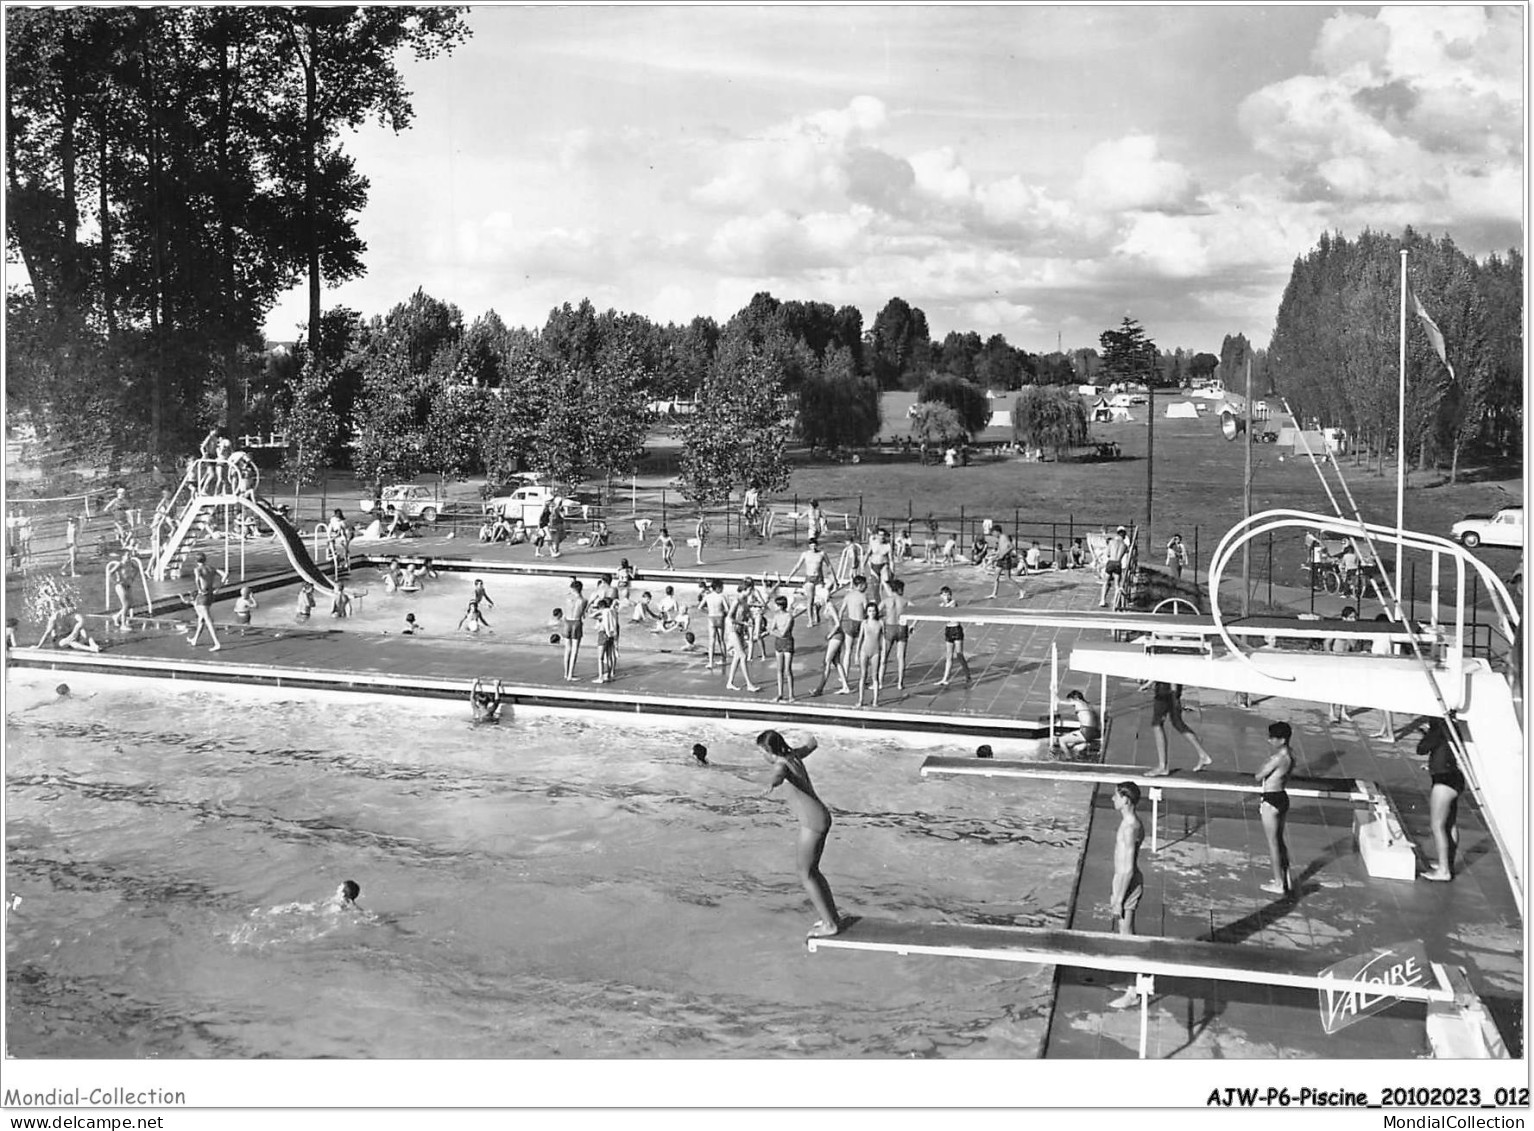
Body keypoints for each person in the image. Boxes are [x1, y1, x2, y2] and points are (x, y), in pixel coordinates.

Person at [757, 730, 840, 938]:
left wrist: (771, 783)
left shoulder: (782, 764)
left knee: (805, 873)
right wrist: (808, 737)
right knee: (812, 871)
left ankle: (830, 924)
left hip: (813, 823)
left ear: (769, 751)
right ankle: (831, 918)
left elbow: (778, 774)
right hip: (818, 817)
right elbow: (811, 746)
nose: (762, 757)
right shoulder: (793, 755)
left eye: (762, 753)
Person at [1106, 781, 1146, 1009]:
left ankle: (1133, 992)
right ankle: (1130, 983)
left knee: (1127, 939)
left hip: (1128, 885)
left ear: (1126, 800)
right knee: (1124, 935)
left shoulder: (1131, 827)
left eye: (1116, 796)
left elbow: (1128, 868)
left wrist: (1118, 899)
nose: (1113, 799)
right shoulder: (1130, 823)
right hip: (1123, 883)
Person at [1419, 719, 1463, 882]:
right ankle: (1447, 864)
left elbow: (1421, 748)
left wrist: (1427, 733)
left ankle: (1444, 871)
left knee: (1437, 825)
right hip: (1455, 778)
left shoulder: (1439, 728)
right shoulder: (1456, 727)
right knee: (1450, 823)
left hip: (1443, 782)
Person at [1255, 721, 1294, 896]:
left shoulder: (1278, 758)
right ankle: (1285, 879)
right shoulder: (1291, 756)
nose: (1269, 740)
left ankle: (1278, 883)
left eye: (1273, 738)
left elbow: (1258, 776)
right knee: (1279, 841)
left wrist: (1267, 761)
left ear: (1282, 740)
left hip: (1271, 799)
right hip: (1282, 797)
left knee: (1273, 844)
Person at [1143, 680, 1212, 775]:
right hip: (1171, 689)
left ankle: (1162, 766)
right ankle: (1203, 754)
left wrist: (1148, 684)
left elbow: (1168, 670)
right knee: (1177, 722)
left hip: (1165, 690)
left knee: (1157, 724)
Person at [1327, 606, 1359, 722]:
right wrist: (1330, 655)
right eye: (1350, 618)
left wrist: (1349, 634)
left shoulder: (1353, 631)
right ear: (1344, 618)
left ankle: (1344, 711)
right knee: (1335, 686)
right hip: (1336, 659)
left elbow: (1353, 645)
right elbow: (1327, 642)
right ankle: (1332, 712)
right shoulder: (1337, 629)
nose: (1353, 620)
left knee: (1346, 686)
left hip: (1347, 660)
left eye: (1354, 617)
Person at [187, 552, 225, 651]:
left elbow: (196, 580)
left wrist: (199, 589)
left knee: (207, 620)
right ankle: (194, 639)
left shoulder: (198, 569)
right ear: (205, 559)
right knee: (201, 618)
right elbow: (225, 574)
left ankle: (217, 643)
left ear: (196, 561)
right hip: (210, 594)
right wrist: (219, 587)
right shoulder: (211, 568)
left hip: (203, 595)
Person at [789, 539, 831, 626]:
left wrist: (834, 578)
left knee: (821, 599)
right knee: (810, 599)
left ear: (817, 545)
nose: (813, 547)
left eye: (815, 545)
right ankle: (810, 620)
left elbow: (829, 565)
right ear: (809, 546)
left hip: (819, 578)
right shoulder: (805, 554)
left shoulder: (822, 554)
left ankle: (817, 610)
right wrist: (790, 576)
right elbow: (798, 566)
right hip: (809, 578)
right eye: (811, 545)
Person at [879, 578, 911, 691]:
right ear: (899, 589)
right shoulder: (905, 601)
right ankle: (900, 683)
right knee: (901, 657)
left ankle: (880, 683)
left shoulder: (886, 601)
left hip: (889, 628)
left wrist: (881, 622)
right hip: (902, 627)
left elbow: (876, 613)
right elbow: (918, 610)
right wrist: (913, 625)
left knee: (884, 657)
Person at [937, 586, 972, 687]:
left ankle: (968, 675)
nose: (946, 597)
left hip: (956, 629)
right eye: (944, 595)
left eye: (948, 594)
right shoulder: (942, 605)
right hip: (948, 629)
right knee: (949, 655)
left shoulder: (953, 603)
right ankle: (945, 678)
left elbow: (948, 611)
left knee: (959, 654)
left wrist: (942, 607)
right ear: (941, 596)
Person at [722, 601, 761, 693]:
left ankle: (730, 682)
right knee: (743, 656)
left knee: (737, 657)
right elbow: (729, 619)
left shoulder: (745, 603)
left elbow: (746, 616)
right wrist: (743, 623)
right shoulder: (736, 602)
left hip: (739, 631)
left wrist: (750, 618)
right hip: (733, 631)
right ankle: (749, 684)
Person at [1053, 689, 1102, 760]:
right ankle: (1079, 755)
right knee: (1071, 745)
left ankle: (1068, 759)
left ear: (1076, 698)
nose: (1071, 703)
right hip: (1093, 732)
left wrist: (1053, 692)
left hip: (1085, 732)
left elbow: (1058, 701)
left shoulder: (1078, 703)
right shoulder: (1088, 705)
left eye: (1070, 700)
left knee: (1061, 740)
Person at [766, 594, 798, 702]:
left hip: (787, 643)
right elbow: (773, 629)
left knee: (787, 670)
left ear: (780, 606)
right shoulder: (776, 616)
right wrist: (774, 631)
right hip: (779, 643)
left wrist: (773, 632)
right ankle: (780, 693)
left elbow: (781, 633)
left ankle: (791, 694)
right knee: (779, 670)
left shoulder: (789, 617)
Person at [811, 617, 853, 697]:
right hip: (836, 636)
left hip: (836, 637)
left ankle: (820, 689)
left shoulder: (830, 606)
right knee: (836, 662)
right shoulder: (828, 607)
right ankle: (845, 686)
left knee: (827, 661)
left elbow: (837, 623)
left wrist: (830, 634)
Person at [854, 603, 884, 708]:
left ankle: (875, 700)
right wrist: (856, 653)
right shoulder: (864, 623)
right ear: (866, 612)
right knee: (863, 676)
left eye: (873, 611)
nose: (872, 613)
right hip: (864, 650)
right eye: (870, 611)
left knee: (874, 677)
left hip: (875, 651)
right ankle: (861, 699)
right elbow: (860, 638)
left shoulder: (880, 623)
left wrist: (883, 652)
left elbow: (883, 639)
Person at [105, 548, 139, 630]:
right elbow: (110, 573)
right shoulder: (120, 564)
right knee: (126, 605)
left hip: (128, 585)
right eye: (127, 555)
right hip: (121, 586)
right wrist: (115, 582)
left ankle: (116, 616)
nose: (129, 557)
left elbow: (137, 569)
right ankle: (123, 625)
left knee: (130, 605)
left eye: (130, 555)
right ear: (123, 557)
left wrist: (133, 577)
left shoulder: (131, 564)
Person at [561, 579, 588, 679]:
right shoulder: (584, 600)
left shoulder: (567, 599)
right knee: (575, 649)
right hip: (576, 622)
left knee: (567, 648)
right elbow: (584, 614)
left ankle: (565, 673)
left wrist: (569, 592)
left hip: (567, 622)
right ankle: (570, 675)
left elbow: (565, 610)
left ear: (572, 589)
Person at [593, 597, 619, 684]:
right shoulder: (613, 612)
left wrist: (598, 612)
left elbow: (591, 616)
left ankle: (600, 677)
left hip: (603, 633)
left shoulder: (604, 612)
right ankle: (609, 674)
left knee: (600, 658)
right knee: (609, 656)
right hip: (611, 635)